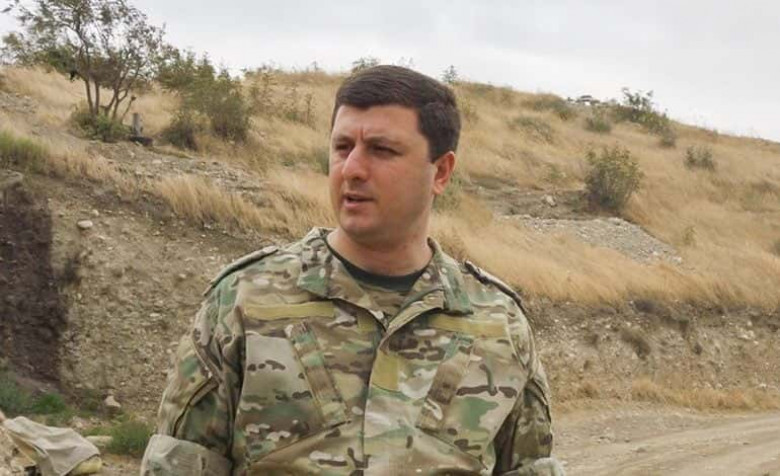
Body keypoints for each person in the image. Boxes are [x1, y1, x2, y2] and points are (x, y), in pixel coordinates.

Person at [141, 65, 563, 475]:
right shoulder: (245, 300)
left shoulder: (498, 323)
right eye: (343, 147)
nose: (352, 169)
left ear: (441, 172)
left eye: (382, 150)